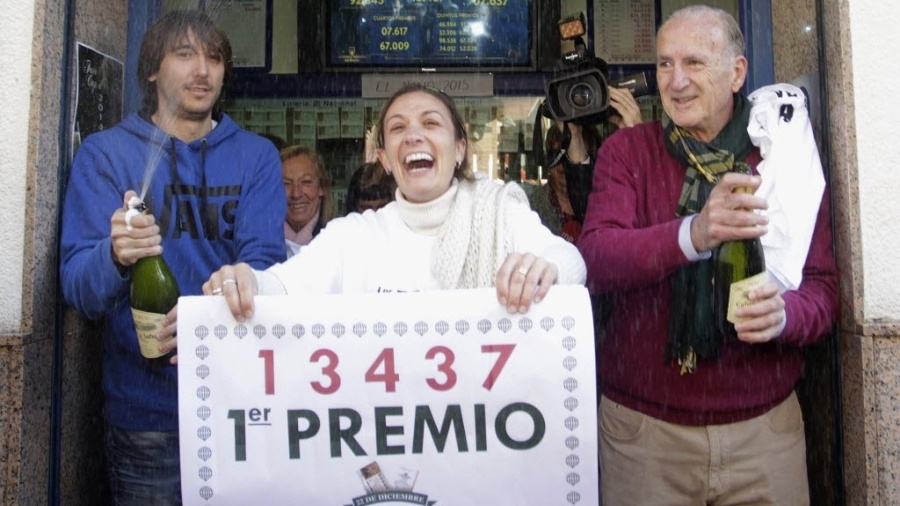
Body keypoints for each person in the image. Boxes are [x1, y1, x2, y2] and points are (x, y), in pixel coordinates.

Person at [577, 5, 839, 505]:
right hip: (644, 437)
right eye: (664, 64)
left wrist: (786, 316)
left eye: (694, 63)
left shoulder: (781, 157)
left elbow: (823, 288)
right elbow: (598, 259)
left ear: (737, 72)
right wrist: (693, 234)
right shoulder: (627, 152)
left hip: (764, 434)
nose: (675, 82)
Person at [59, 10, 286, 505]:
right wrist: (116, 256)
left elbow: (266, 268)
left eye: (214, 58)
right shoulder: (105, 155)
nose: (202, 70)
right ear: (152, 71)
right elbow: (79, 290)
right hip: (146, 415)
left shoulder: (256, 157)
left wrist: (208, 322)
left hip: (241, 406)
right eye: (184, 55)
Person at [202, 83, 586, 320]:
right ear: (385, 159)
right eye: (398, 127)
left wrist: (544, 269)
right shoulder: (354, 237)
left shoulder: (502, 213)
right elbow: (281, 287)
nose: (414, 135)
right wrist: (245, 281)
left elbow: (572, 264)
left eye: (431, 123)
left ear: (458, 149)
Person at [280, 145, 334, 257]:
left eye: (306, 182)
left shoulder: (338, 239)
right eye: (286, 183)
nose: (296, 194)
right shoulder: (261, 245)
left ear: (321, 188)